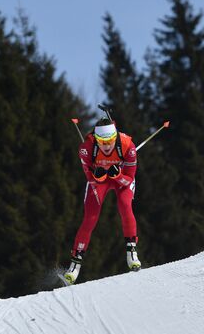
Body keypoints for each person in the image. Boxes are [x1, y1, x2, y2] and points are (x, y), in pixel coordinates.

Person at [63, 118, 141, 285]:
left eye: (110, 141)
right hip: (100, 181)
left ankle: (131, 251)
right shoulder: (86, 149)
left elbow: (129, 179)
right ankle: (75, 263)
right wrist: (97, 177)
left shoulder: (128, 146)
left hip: (120, 179)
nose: (107, 145)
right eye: (102, 142)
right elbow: (90, 178)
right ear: (96, 140)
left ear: (116, 137)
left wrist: (117, 175)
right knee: (90, 218)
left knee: (125, 206)